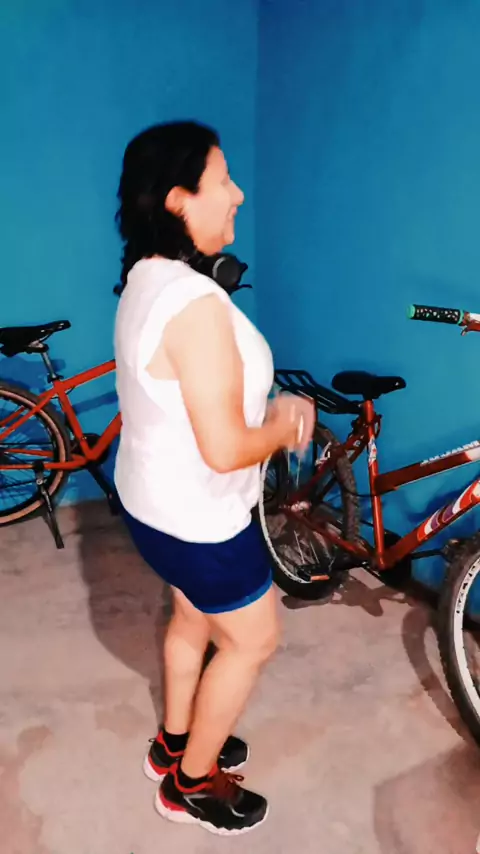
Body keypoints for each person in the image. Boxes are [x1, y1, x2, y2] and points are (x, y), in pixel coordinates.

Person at [114, 120, 315, 836]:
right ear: (178, 199)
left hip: (152, 507)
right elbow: (227, 449)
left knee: (193, 620)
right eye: (222, 179)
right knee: (252, 640)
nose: (238, 193)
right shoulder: (194, 306)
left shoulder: (145, 276)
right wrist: (285, 423)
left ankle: (173, 743)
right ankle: (191, 785)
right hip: (200, 521)